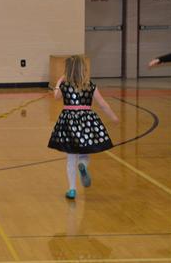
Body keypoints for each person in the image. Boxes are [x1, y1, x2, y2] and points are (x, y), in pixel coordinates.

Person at [48, 55, 119, 199]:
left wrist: (58, 82)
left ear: (68, 70)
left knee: (70, 157)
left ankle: (72, 190)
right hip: (86, 121)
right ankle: (83, 165)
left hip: (68, 122)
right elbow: (103, 104)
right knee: (84, 153)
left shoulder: (65, 85)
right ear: (83, 69)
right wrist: (113, 117)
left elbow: (56, 97)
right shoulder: (90, 85)